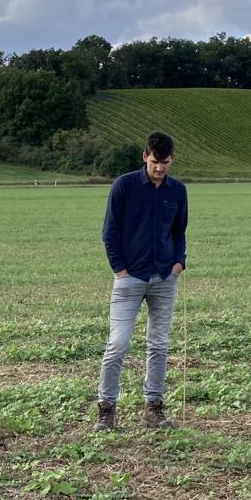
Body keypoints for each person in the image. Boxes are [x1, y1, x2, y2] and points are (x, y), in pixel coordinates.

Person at [95, 131, 188, 431]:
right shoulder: (124, 186)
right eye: (155, 161)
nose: (159, 168)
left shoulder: (178, 191)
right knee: (117, 345)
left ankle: (153, 409)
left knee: (158, 346)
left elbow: (179, 232)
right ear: (144, 156)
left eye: (165, 162)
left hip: (164, 277)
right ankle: (106, 411)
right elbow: (110, 232)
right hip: (129, 278)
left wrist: (178, 262)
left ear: (172, 159)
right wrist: (120, 270)